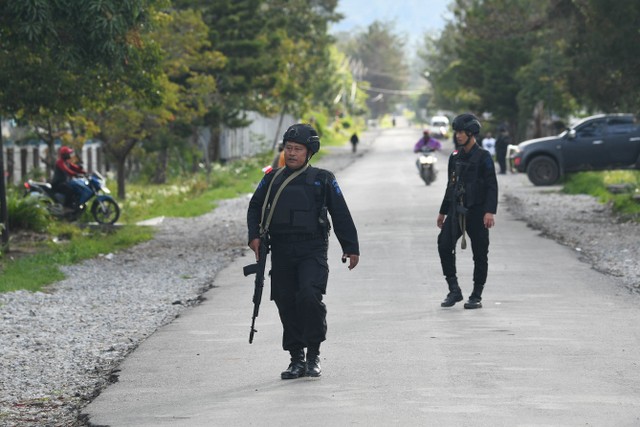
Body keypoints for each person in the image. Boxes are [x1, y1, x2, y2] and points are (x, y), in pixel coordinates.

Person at [247, 123, 360, 379]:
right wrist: (253, 236)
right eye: (289, 148)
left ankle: (314, 354)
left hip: (312, 248)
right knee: (286, 301)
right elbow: (254, 207)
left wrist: (350, 247)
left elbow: (340, 213)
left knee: (309, 296)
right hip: (282, 249)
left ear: (309, 152)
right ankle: (296, 358)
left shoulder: (323, 179)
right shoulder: (271, 178)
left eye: (298, 149)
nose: (293, 153)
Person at [436, 113, 498, 309]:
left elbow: (492, 186)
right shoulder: (454, 157)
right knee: (444, 245)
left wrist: (489, 211)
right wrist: (443, 211)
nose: (458, 136)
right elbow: (450, 185)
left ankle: (476, 294)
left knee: (480, 253)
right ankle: (454, 290)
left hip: (478, 212)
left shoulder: (483, 157)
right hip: (456, 211)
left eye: (462, 132)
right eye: (457, 132)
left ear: (472, 134)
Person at [50, 146, 87, 211]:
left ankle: (74, 206)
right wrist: (76, 174)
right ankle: (66, 207)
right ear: (64, 155)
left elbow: (75, 168)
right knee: (70, 190)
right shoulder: (60, 162)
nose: (70, 155)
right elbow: (67, 170)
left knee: (76, 189)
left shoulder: (67, 162)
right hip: (57, 183)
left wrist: (84, 172)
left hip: (64, 183)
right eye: (68, 153)